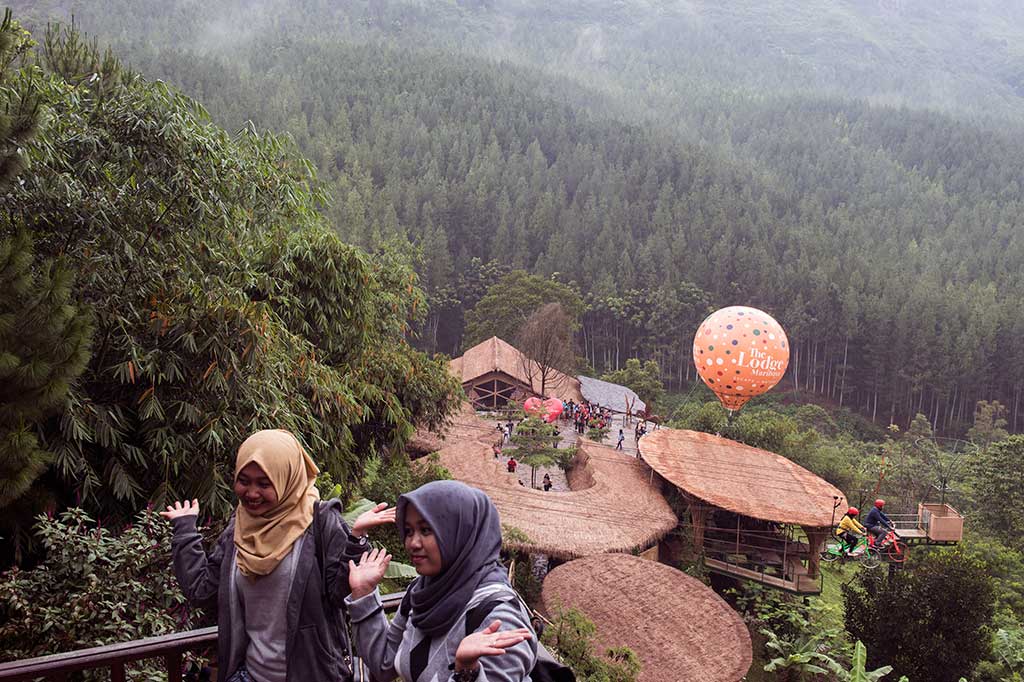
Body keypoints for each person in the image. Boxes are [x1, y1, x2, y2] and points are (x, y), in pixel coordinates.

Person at [160, 429, 395, 682]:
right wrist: (185, 532)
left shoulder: (320, 521)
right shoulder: (239, 528)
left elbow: (340, 594)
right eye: (244, 480)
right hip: (249, 675)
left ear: (287, 478)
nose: (251, 492)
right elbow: (202, 590)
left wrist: (357, 539)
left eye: (264, 483)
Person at [346, 481, 537, 682]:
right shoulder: (422, 591)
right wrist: (364, 592)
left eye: (426, 530)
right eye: (409, 531)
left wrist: (467, 672)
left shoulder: (498, 616)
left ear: (461, 532)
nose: (413, 543)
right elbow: (384, 664)